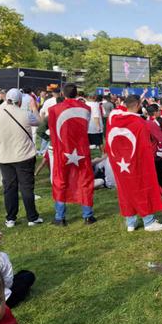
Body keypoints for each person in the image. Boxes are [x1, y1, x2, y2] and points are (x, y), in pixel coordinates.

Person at [106, 95, 162, 232]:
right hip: (136, 162)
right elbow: (145, 146)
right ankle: (148, 221)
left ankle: (131, 222)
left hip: (120, 163)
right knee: (142, 188)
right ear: (139, 105)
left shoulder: (113, 118)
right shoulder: (140, 123)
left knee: (125, 190)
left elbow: (119, 110)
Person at [0, 89, 43, 228]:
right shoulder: (25, 114)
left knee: (9, 187)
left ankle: (10, 218)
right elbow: (40, 122)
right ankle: (32, 217)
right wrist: (34, 108)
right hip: (24, 155)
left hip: (4, 156)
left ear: (6, 99)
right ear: (20, 101)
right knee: (27, 187)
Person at [48, 84, 96, 226]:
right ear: (77, 93)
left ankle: (60, 217)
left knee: (60, 181)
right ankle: (88, 215)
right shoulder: (86, 108)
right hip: (81, 150)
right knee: (85, 179)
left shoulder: (53, 110)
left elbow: (52, 131)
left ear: (62, 93)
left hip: (62, 150)